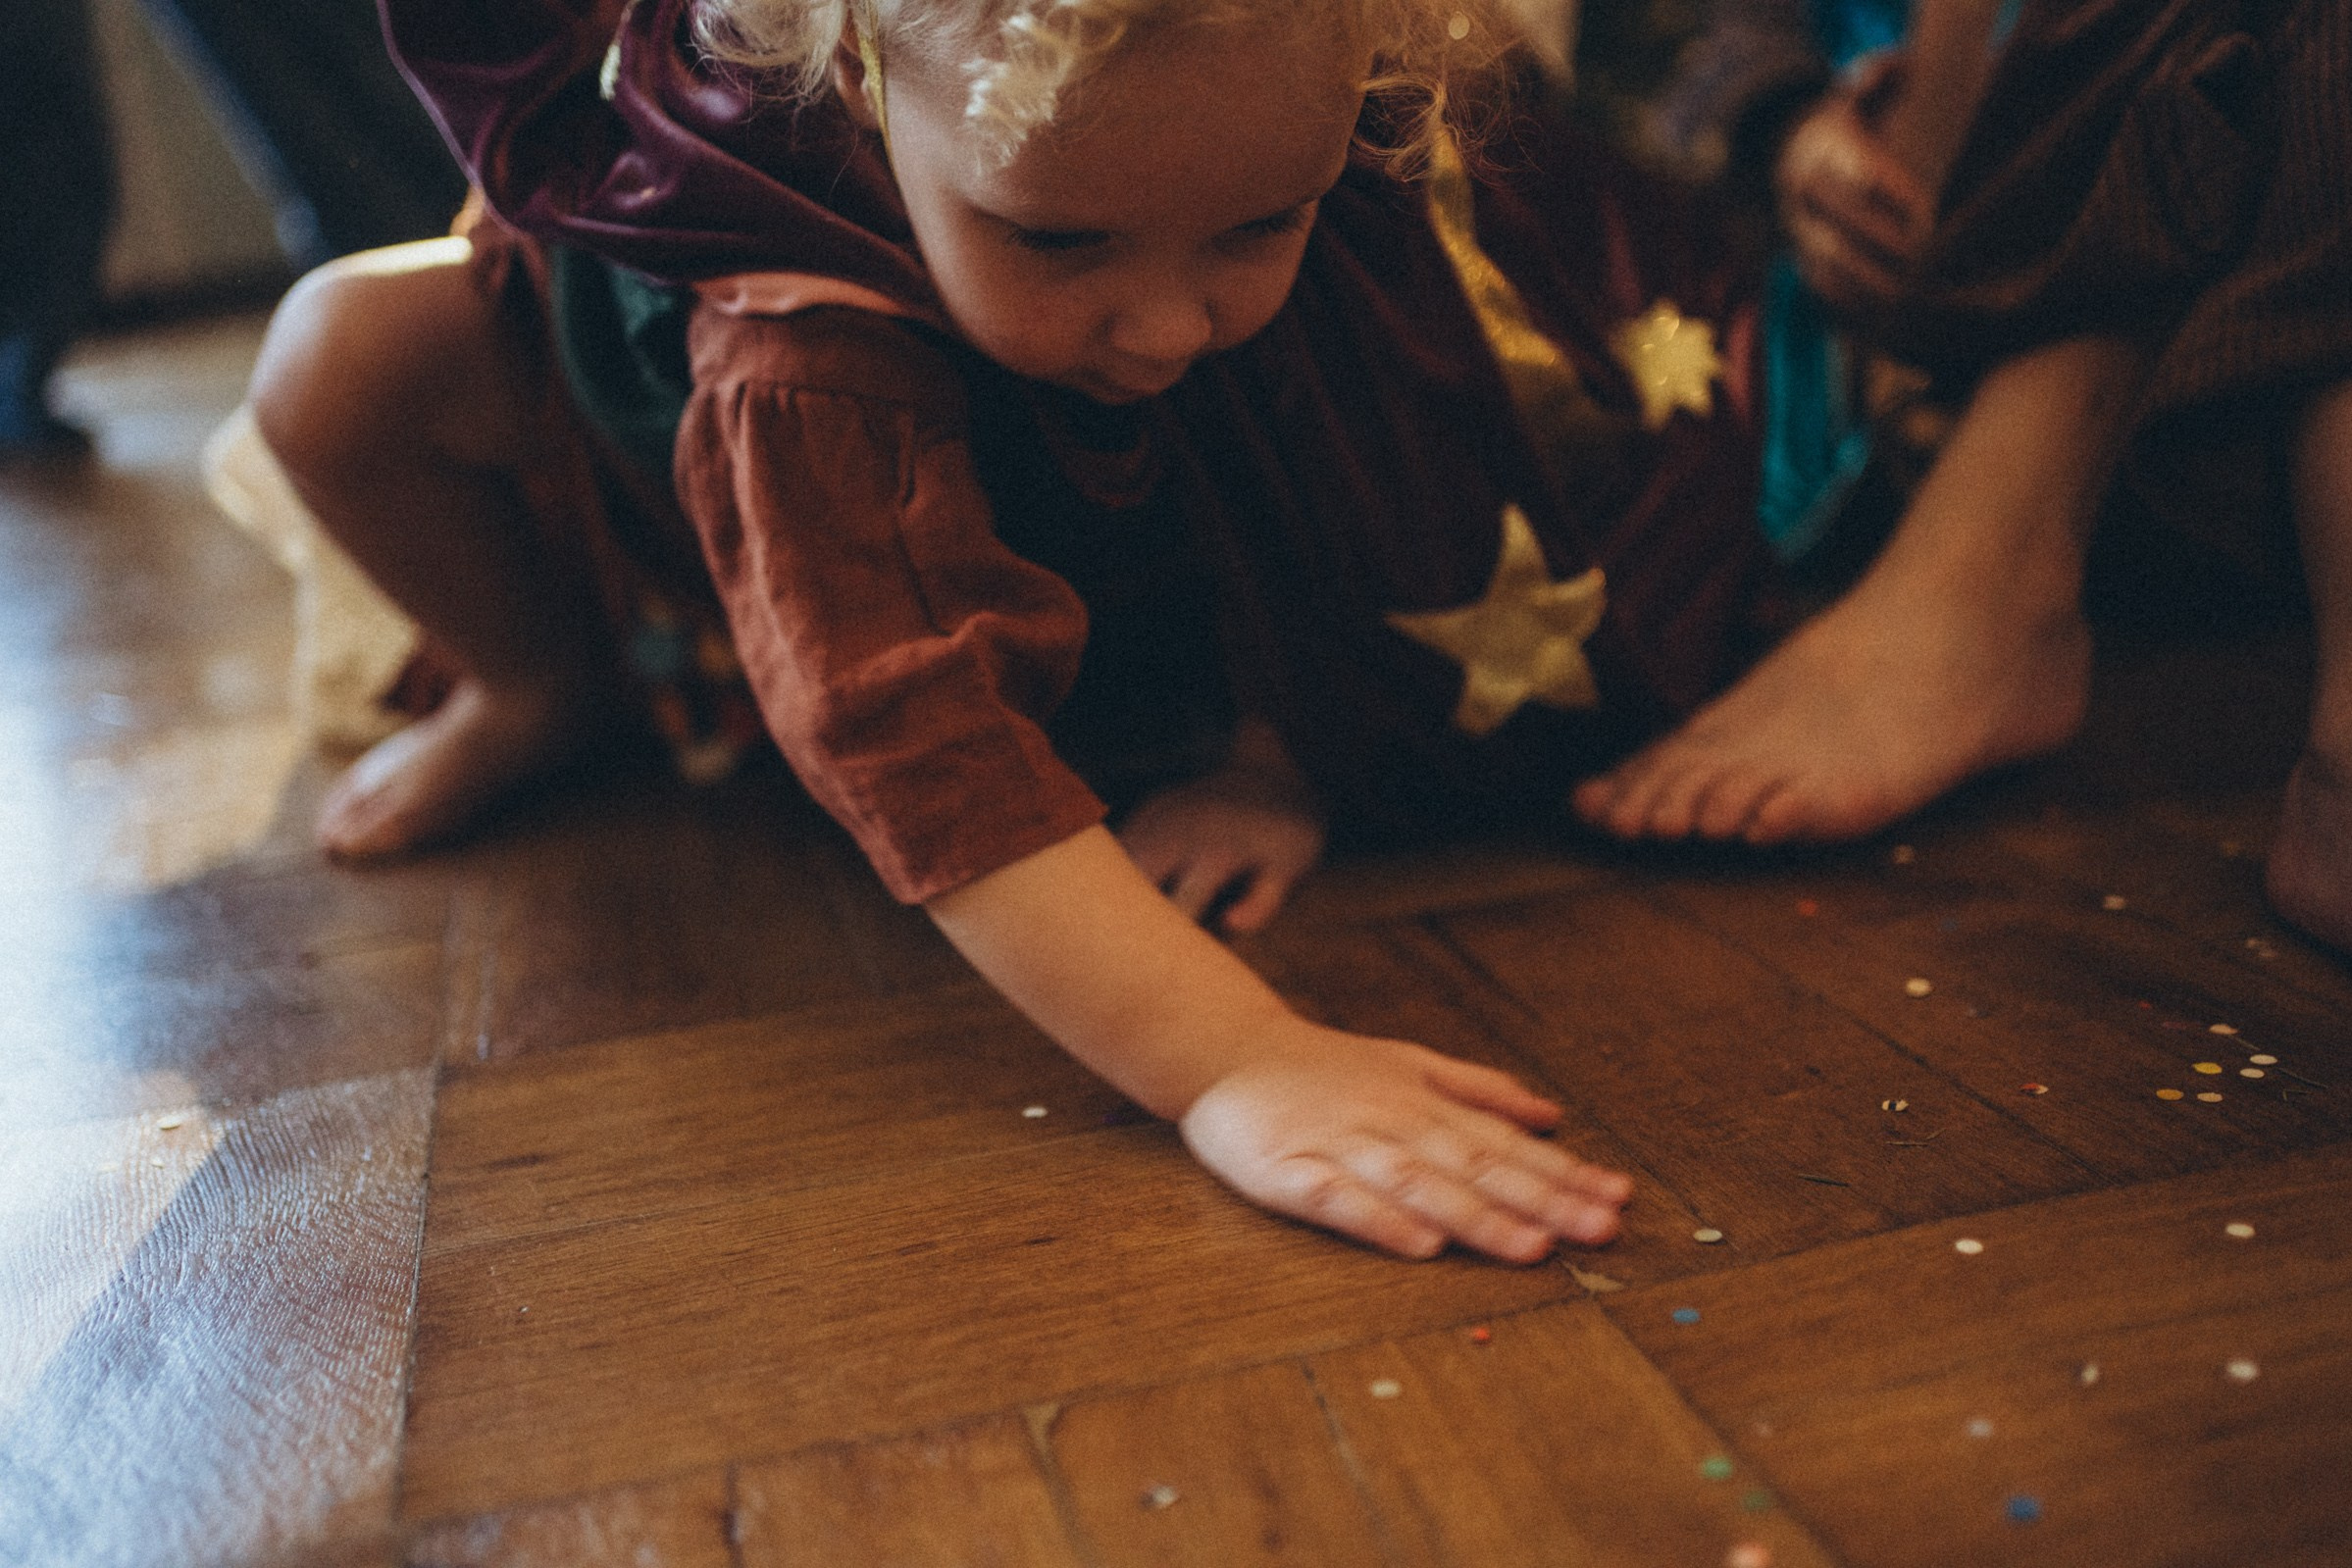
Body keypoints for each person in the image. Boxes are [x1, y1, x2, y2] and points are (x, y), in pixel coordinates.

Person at [248, 0, 1811, 1260]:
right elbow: (912, 733)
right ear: (856, 78)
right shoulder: (805, 348)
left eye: (1257, 227)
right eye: (1058, 242)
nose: (1170, 321)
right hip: (669, 498)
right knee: (335, 356)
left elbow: (1375, 465)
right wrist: (1233, 1057)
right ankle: (540, 684)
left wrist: (1280, 744)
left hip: (1111, 549)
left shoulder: (1257, 105)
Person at [1569, 0, 2352, 957]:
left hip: (2230, 432)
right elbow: (1642, 40)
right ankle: (1995, 565)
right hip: (1864, 386)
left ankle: (1991, 567)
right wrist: (1783, 122)